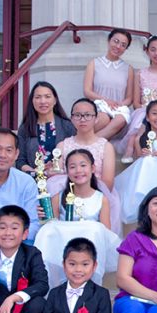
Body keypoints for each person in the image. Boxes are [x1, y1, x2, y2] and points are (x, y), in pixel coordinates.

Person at [34, 149, 120, 287]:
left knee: (95, 228)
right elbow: (52, 226)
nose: (78, 170)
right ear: (67, 171)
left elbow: (105, 232)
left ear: (92, 168)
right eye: (72, 167)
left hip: (89, 248)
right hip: (64, 248)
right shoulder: (59, 196)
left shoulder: (101, 199)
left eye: (83, 165)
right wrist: (44, 217)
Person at [44, 99, 121, 232]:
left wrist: (84, 186)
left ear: (96, 118)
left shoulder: (106, 146)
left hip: (97, 194)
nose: (82, 119)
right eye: (77, 115)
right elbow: (57, 175)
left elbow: (107, 183)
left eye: (87, 115)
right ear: (72, 119)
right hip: (68, 196)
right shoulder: (63, 145)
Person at [120, 34, 157, 162]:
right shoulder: (141, 74)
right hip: (144, 110)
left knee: (154, 112)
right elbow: (136, 103)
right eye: (153, 49)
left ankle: (133, 143)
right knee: (143, 113)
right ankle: (133, 144)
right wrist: (148, 109)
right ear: (147, 51)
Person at [82, 28, 135, 139]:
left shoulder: (128, 69)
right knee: (103, 118)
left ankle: (91, 142)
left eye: (123, 45)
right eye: (116, 41)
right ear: (109, 41)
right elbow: (87, 91)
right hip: (98, 108)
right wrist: (105, 101)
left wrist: (118, 105)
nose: (118, 46)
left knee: (121, 119)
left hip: (117, 111)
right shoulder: (94, 63)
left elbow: (129, 98)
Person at [16, 81, 76, 174]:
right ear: (32, 101)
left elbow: (76, 156)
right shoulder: (25, 128)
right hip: (34, 178)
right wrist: (36, 172)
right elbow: (20, 161)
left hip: (61, 178)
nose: (43, 101)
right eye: (38, 97)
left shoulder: (67, 126)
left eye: (47, 96)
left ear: (55, 100)